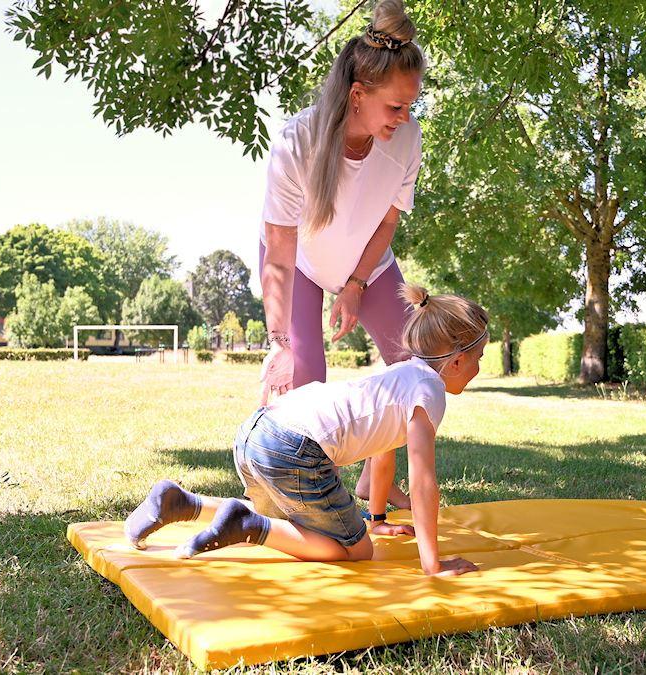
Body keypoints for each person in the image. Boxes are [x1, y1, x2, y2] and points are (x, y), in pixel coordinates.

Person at [125, 285, 488, 576]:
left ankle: (182, 503)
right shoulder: (429, 390)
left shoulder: (399, 375)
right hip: (295, 447)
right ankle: (247, 525)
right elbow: (423, 480)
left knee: (290, 522)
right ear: (457, 361)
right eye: (480, 358)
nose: (479, 367)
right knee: (356, 550)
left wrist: (377, 519)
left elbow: (382, 455)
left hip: (258, 431)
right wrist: (432, 564)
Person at [257, 0, 424, 509]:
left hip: (368, 264)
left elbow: (388, 222)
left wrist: (355, 285)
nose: (405, 117)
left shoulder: (407, 138)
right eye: (395, 107)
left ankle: (374, 482)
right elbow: (279, 250)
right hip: (300, 264)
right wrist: (280, 342)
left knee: (416, 366)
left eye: (411, 105)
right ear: (357, 94)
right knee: (305, 376)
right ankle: (291, 491)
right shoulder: (298, 142)